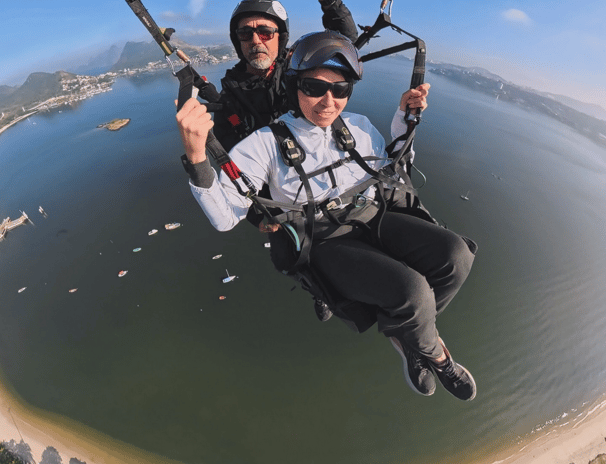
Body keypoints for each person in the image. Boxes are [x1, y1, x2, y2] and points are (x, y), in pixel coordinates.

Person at [176, 30, 477, 401]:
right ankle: (435, 354)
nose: (328, 101)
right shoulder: (264, 145)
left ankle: (409, 334)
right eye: (314, 87)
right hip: (325, 239)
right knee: (412, 292)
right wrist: (197, 157)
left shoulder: (359, 127)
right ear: (295, 86)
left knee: (456, 256)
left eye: (340, 89)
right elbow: (225, 217)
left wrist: (404, 118)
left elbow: (393, 169)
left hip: (371, 215)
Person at [213, 0, 358, 152]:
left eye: (266, 32)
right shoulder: (229, 99)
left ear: (280, 38)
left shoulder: (298, 67)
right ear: (238, 41)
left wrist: (332, 4)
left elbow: (344, 44)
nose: (255, 41)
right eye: (245, 33)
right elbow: (234, 152)